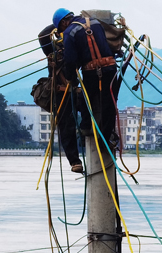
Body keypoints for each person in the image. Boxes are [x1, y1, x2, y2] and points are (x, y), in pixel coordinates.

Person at [55, 8, 121, 151]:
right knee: (109, 105)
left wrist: (71, 79)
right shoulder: (95, 22)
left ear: (64, 22)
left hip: (91, 71)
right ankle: (105, 141)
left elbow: (70, 60)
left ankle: (86, 127)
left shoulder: (69, 32)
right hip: (110, 68)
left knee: (85, 99)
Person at [37, 14, 83, 173]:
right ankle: (75, 161)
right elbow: (43, 35)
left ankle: (94, 141)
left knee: (92, 115)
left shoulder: (76, 46)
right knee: (66, 126)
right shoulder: (52, 49)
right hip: (60, 92)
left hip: (76, 91)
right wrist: (61, 24)